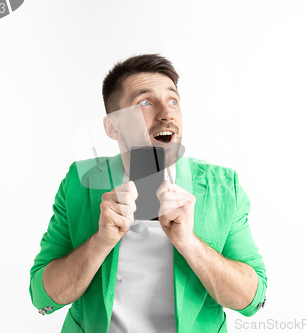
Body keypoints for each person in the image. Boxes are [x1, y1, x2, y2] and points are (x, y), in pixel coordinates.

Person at [29, 54, 267, 333]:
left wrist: (188, 242)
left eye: (173, 100)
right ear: (112, 126)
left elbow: (252, 299)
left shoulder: (224, 186)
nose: (166, 113)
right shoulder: (81, 182)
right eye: (145, 102)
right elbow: (43, 297)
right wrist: (101, 242)